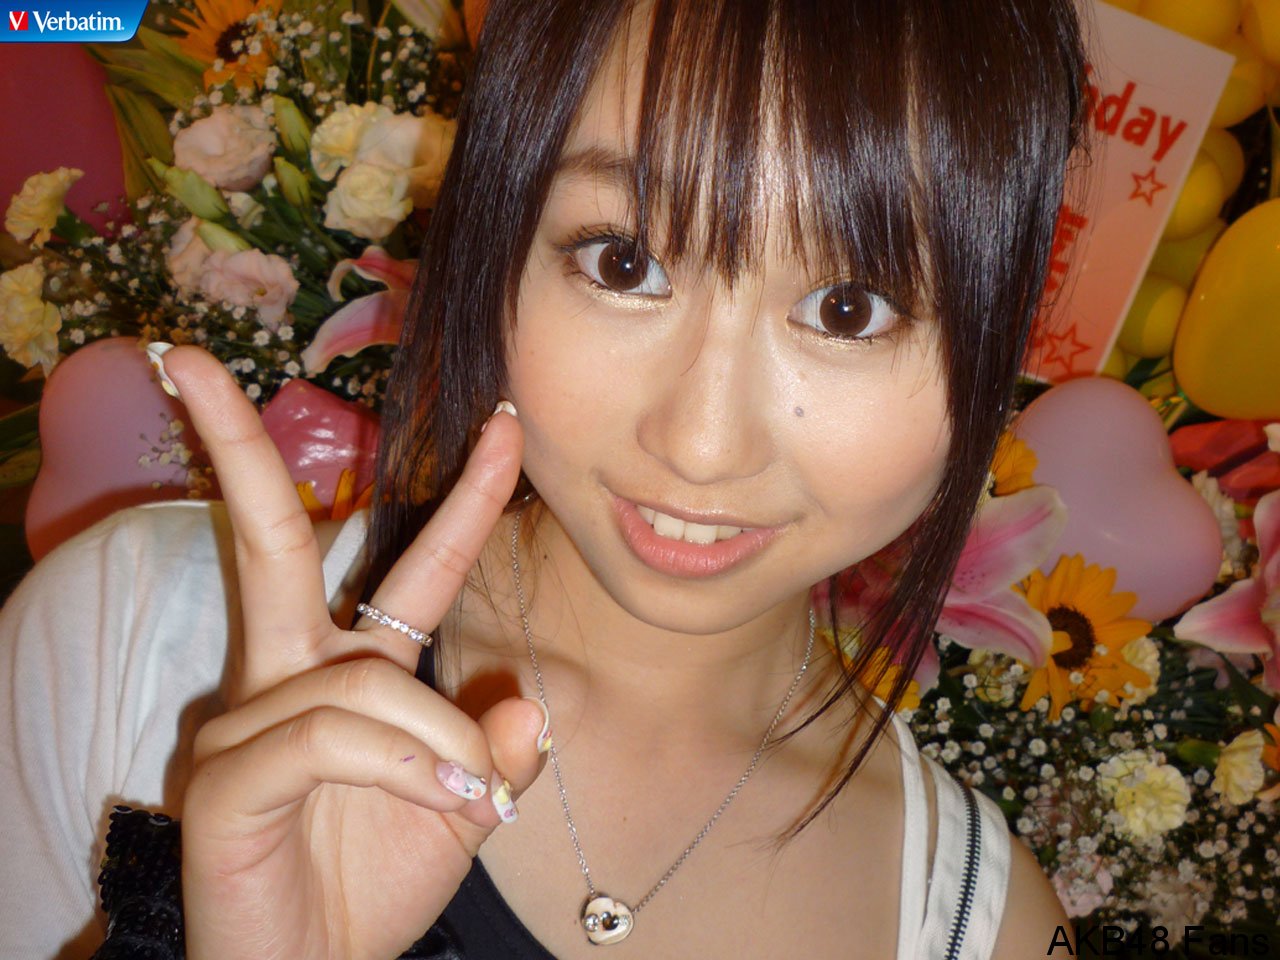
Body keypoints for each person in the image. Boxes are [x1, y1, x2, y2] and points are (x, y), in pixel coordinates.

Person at [0, 0, 1090, 956]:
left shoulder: (974, 926)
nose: (700, 444)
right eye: (624, 261)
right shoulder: (134, 640)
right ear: (501, 244)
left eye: (847, 310)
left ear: (997, 336)